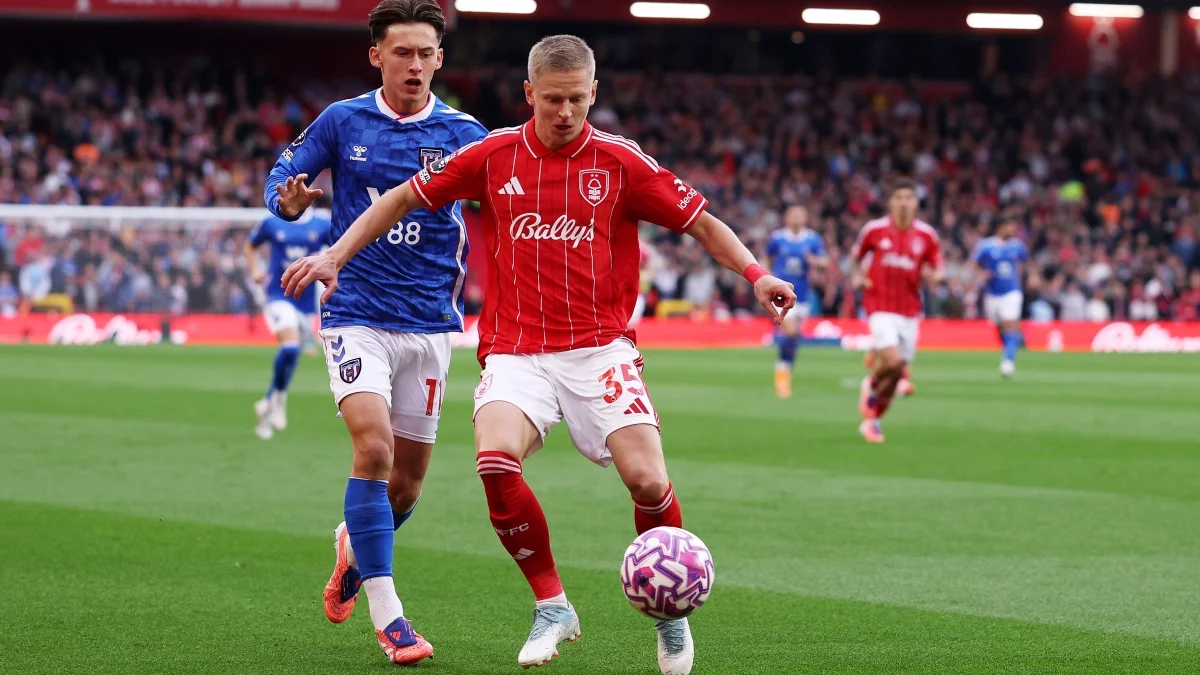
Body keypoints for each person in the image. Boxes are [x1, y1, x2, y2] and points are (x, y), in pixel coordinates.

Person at [282, 34, 796, 675]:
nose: (565, 112)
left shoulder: (621, 162)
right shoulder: (493, 154)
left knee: (647, 481)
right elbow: (403, 198)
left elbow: (702, 224)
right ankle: (552, 605)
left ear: (594, 93)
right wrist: (335, 254)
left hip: (599, 350)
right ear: (529, 94)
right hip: (516, 352)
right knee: (495, 460)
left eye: (577, 99)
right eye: (552, 99)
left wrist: (756, 275)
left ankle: (670, 612)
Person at [263, 0, 486, 665]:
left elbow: (507, 201)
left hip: (429, 321)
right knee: (374, 447)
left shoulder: (465, 132)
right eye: (401, 52)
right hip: (354, 310)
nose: (414, 64)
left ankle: (353, 549)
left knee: (407, 488)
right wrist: (289, 202)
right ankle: (392, 621)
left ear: (440, 59)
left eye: (425, 53)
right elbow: (283, 177)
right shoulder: (343, 119)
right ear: (376, 56)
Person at [851, 180, 944, 443]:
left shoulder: (926, 235)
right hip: (879, 305)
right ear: (891, 202)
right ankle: (870, 384)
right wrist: (858, 276)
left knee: (896, 373)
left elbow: (938, 265)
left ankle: (873, 420)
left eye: (909, 197)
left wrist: (936, 276)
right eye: (899, 197)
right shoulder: (875, 230)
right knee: (892, 362)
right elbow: (856, 258)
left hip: (910, 310)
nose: (904, 202)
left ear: (916, 202)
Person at [244, 207, 332, 440]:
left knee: (292, 357)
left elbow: (339, 249)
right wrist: (255, 268)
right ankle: (279, 399)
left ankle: (267, 403)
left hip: (305, 303)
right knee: (291, 348)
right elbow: (249, 246)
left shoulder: (322, 224)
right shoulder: (272, 222)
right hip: (278, 295)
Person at [763, 205, 828, 398]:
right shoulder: (777, 238)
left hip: (803, 295)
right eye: (793, 215)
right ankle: (782, 373)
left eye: (800, 215)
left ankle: (785, 369)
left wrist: (815, 262)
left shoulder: (813, 239)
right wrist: (766, 276)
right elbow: (766, 256)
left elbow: (825, 262)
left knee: (795, 336)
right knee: (790, 331)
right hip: (781, 292)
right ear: (786, 218)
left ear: (805, 218)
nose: (796, 218)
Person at [970, 217, 1028, 377]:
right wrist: (982, 273)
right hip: (993, 294)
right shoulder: (986, 246)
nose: (1012, 230)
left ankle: (1008, 361)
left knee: (1010, 324)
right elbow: (973, 263)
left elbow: (1025, 262)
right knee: (1000, 327)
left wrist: (1023, 278)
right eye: (1009, 226)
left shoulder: (1017, 246)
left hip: (1012, 292)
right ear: (1000, 227)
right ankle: (1013, 343)